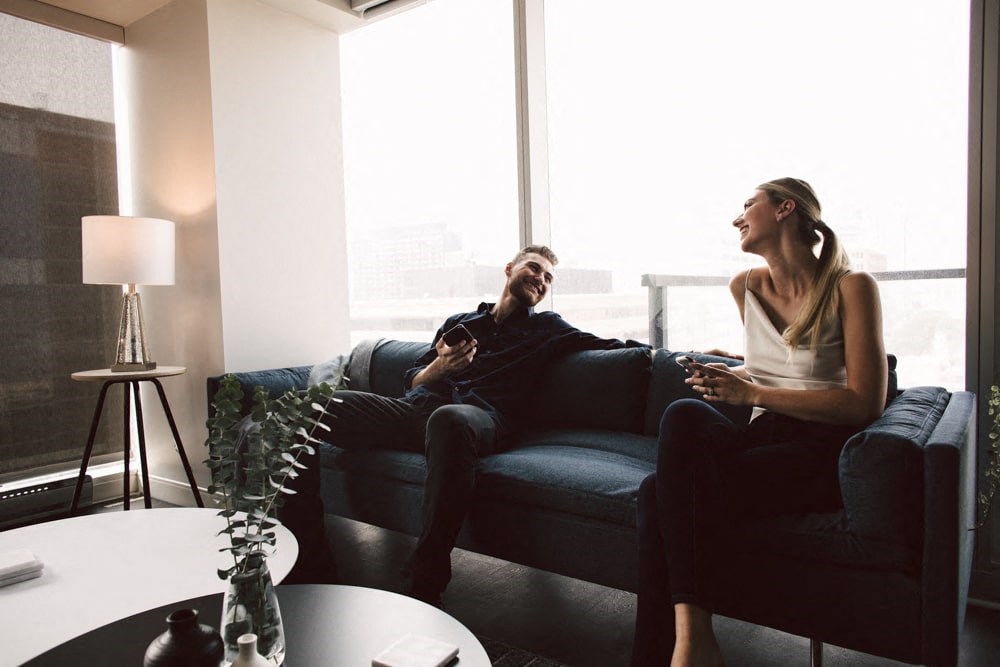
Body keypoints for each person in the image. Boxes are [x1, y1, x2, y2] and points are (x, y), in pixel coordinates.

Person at [283, 245, 643, 605]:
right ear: (509, 269)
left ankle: (426, 576)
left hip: (479, 418)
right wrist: (441, 367)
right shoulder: (460, 323)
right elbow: (413, 382)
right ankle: (307, 557)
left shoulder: (549, 328)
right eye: (534, 268)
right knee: (306, 407)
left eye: (549, 277)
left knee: (449, 419)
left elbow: (621, 350)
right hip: (416, 412)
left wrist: (688, 356)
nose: (541, 279)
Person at [630, 178, 888, 666]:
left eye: (749, 204)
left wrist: (750, 392)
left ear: (786, 209)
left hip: (819, 449)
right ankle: (694, 636)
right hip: (762, 436)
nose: (737, 218)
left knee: (655, 494)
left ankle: (677, 647)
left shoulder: (852, 287)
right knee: (684, 412)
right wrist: (736, 373)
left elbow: (864, 404)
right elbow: (777, 365)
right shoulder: (745, 285)